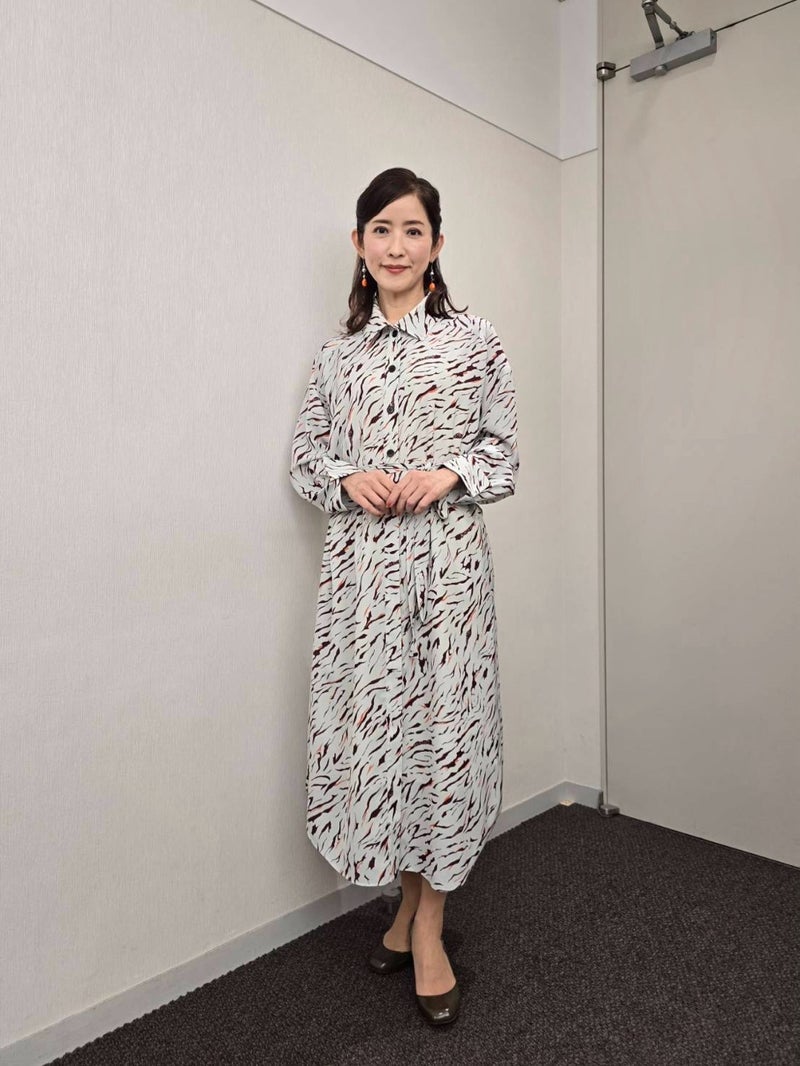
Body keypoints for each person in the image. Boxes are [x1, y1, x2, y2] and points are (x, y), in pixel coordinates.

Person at [289, 167, 519, 1026]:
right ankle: (403, 906)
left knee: (444, 737)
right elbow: (305, 457)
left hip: (449, 576)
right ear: (359, 245)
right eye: (381, 230)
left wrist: (449, 471)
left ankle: (428, 925)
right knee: (386, 741)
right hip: (363, 585)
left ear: (437, 245)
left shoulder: (475, 341)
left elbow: (505, 452)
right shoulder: (336, 358)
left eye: (412, 230)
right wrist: (347, 477)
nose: (396, 245)